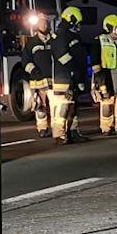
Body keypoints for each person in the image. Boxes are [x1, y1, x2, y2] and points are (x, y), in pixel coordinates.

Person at [49, 7, 90, 143]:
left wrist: (79, 75)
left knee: (73, 106)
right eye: (76, 22)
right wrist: (72, 74)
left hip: (74, 76)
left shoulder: (71, 35)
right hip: (64, 77)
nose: (78, 25)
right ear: (71, 19)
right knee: (63, 105)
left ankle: (73, 131)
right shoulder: (60, 35)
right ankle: (59, 135)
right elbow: (63, 57)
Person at [21, 17, 55, 137]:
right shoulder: (31, 43)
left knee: (55, 106)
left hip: (54, 80)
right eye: (41, 23)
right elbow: (25, 61)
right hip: (38, 81)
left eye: (46, 23)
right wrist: (34, 71)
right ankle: (42, 128)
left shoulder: (55, 40)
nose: (44, 25)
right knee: (40, 106)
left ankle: (57, 128)